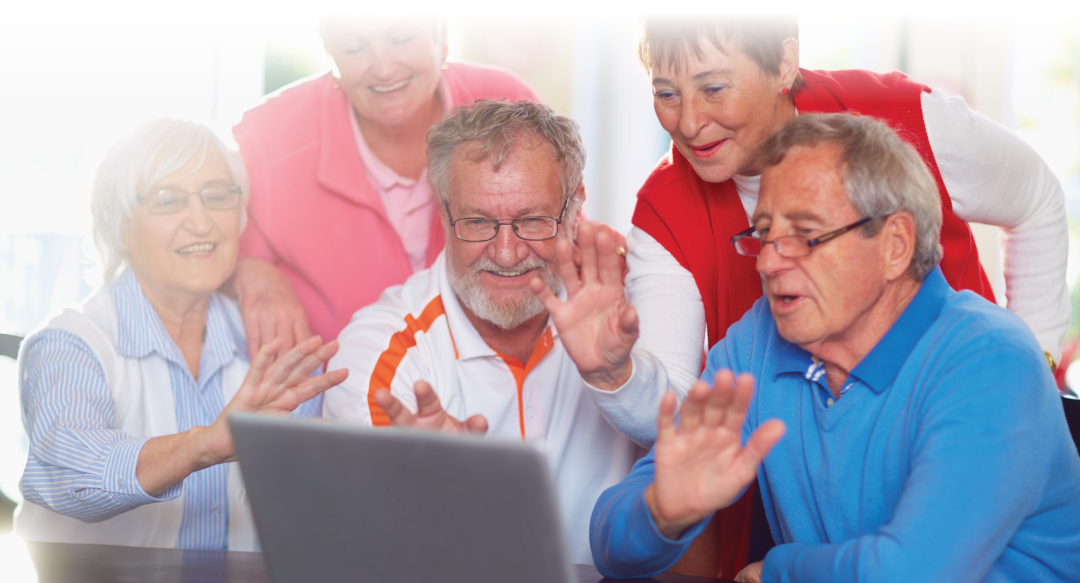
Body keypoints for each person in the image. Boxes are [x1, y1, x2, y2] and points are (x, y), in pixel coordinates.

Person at [621, 14, 1069, 576]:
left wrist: (1037, 364)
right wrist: (615, 378)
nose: (687, 122)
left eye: (713, 86)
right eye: (665, 92)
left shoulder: (907, 120)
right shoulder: (751, 344)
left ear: (783, 66)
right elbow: (675, 417)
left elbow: (1036, 199)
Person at [322, 100, 650, 565]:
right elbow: (375, 549)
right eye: (477, 222)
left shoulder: (631, 306)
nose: (507, 252)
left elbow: (687, 473)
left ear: (576, 207)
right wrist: (444, 490)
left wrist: (618, 376)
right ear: (443, 214)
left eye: (532, 220)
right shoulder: (378, 355)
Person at [15, 119, 347, 550]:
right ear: (119, 224)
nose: (201, 222)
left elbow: (312, 512)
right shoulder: (70, 343)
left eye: (216, 196)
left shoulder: (273, 338)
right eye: (167, 200)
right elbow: (70, 473)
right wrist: (203, 444)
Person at [228, 13, 538, 358]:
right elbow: (207, 247)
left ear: (443, 36)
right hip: (339, 395)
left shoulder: (509, 105)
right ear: (331, 54)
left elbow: (563, 234)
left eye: (401, 39)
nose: (384, 68)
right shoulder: (267, 137)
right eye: (355, 48)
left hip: (503, 382)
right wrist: (247, 269)